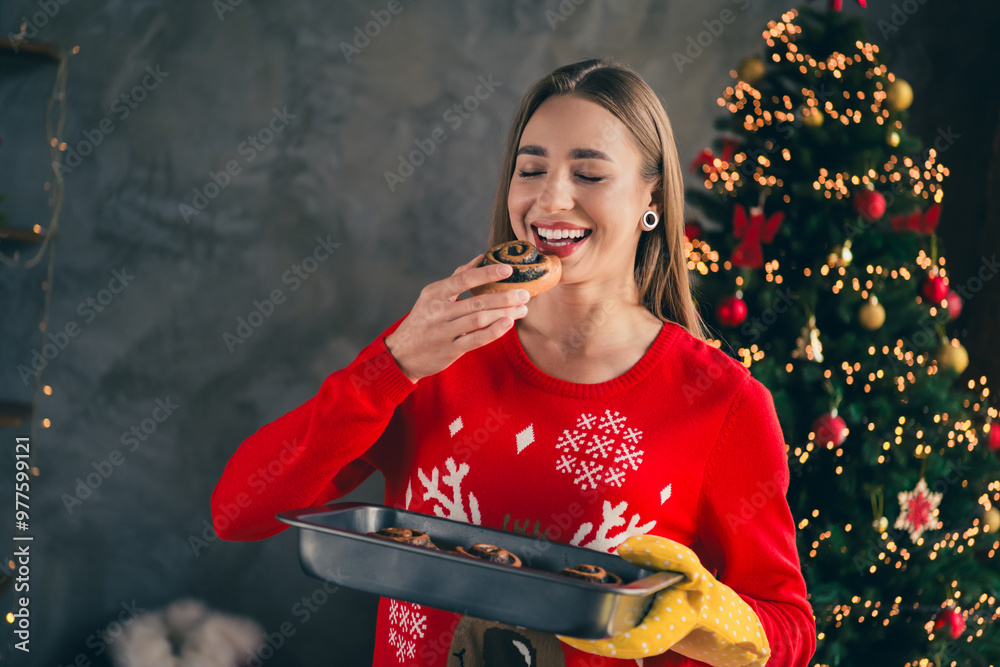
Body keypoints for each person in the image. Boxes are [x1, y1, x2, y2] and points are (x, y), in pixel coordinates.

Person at [212, 58, 816, 666]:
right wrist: (392, 364)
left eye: (588, 173)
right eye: (531, 169)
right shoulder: (435, 346)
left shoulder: (721, 401)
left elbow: (791, 631)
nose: (551, 197)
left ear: (649, 195)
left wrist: (701, 612)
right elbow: (239, 512)